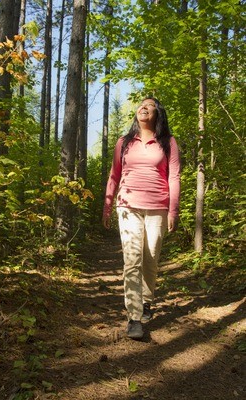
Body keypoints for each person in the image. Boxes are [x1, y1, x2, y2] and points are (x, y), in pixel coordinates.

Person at [102, 96, 181, 340]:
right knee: (133, 257)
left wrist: (173, 211)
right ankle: (134, 316)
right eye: (141, 104)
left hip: (158, 207)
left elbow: (174, 177)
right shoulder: (124, 142)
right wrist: (106, 205)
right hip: (127, 205)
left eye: (150, 105)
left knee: (150, 256)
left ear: (158, 113)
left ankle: (147, 301)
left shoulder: (167, 142)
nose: (144, 107)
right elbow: (114, 175)